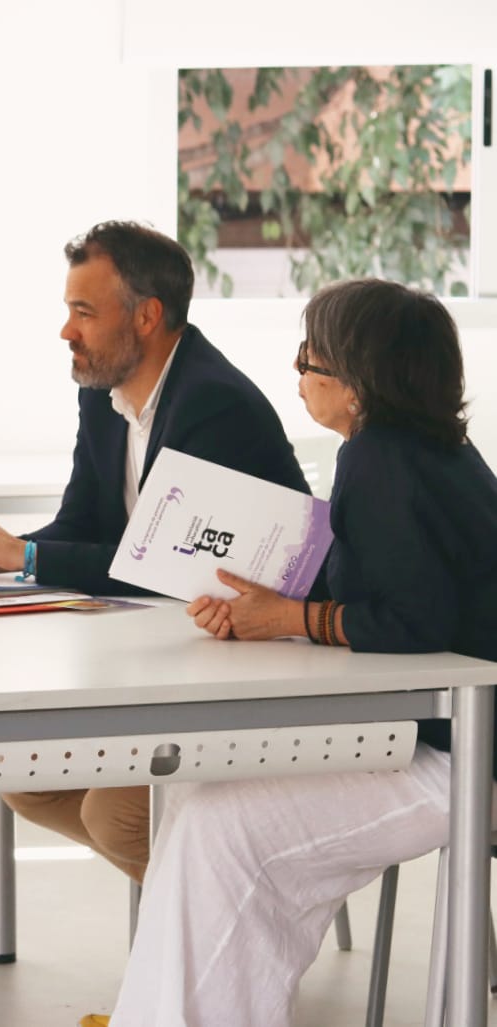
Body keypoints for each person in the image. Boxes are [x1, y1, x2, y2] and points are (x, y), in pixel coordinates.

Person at [93, 278, 497, 1027]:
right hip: (448, 737)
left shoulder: (377, 458)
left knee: (220, 829)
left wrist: (289, 617)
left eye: (309, 354)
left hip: (461, 761)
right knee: (195, 798)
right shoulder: (438, 451)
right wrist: (278, 606)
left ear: (357, 375)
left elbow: (413, 620)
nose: (299, 371)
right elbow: (394, 585)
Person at [0, 222, 308, 885]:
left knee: (116, 817)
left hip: (251, 672)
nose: (66, 331)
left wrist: (27, 557)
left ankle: (222, 939)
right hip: (172, 661)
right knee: (25, 778)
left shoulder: (213, 403)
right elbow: (84, 522)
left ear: (147, 316)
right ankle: (217, 907)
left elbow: (158, 565)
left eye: (83, 312)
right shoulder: (105, 395)